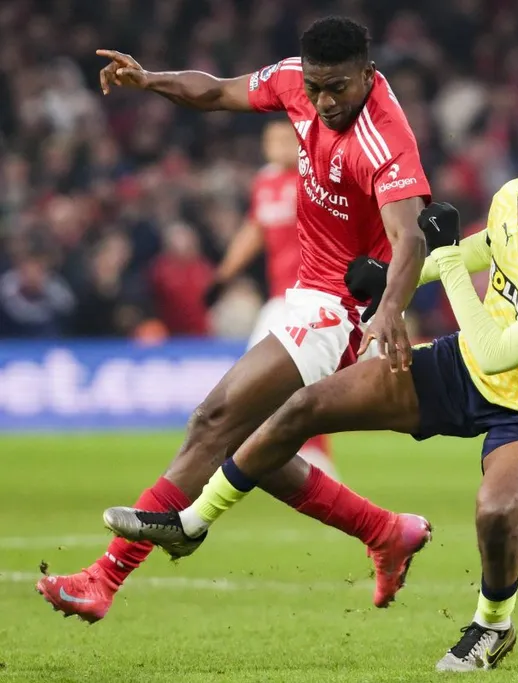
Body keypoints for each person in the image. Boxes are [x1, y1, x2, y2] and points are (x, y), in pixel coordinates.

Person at [102, 160, 518, 672]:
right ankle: (191, 524)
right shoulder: (511, 201)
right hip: (462, 369)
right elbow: (482, 249)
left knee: (496, 511)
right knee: (301, 406)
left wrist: (441, 258)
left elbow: (496, 349)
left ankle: (492, 627)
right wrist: (393, 280)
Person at [37, 16, 433, 623]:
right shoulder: (298, 82)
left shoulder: (386, 140)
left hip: (343, 308)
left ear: (369, 75)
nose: (326, 102)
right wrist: (150, 81)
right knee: (258, 450)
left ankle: (104, 578)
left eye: (341, 89)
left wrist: (389, 310)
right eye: (319, 88)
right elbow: (217, 91)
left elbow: (409, 239)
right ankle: (384, 531)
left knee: (214, 419)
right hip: (306, 290)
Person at [205, 119, 337, 480]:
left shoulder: (317, 180)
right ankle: (286, 455)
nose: (275, 145)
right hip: (280, 298)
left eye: (284, 138)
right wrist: (224, 275)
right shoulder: (265, 181)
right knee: (269, 381)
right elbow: (255, 228)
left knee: (287, 380)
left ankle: (307, 458)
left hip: (313, 294)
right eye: (270, 139)